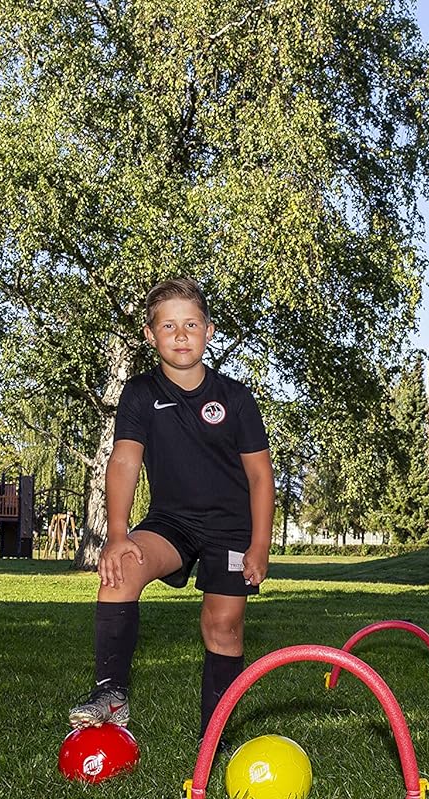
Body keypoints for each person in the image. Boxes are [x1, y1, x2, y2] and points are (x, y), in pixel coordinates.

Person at [68, 278, 275, 743]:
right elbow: (124, 460)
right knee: (118, 570)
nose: (181, 335)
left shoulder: (237, 399)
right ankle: (112, 694)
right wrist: (117, 534)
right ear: (149, 335)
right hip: (171, 522)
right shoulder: (140, 392)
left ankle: (215, 739)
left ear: (209, 330)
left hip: (231, 528)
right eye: (168, 326)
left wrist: (259, 545)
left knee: (223, 627)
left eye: (191, 324)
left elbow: (262, 477)